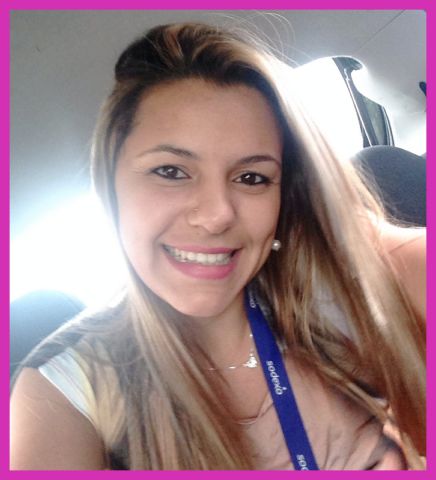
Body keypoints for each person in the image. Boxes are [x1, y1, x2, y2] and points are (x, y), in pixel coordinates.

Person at [10, 22, 426, 470]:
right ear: (110, 181)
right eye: (171, 171)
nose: (217, 215)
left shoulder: (326, 275)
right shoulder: (68, 390)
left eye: (251, 177)